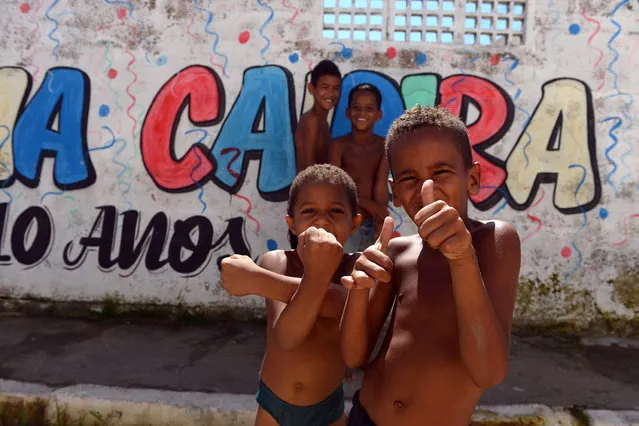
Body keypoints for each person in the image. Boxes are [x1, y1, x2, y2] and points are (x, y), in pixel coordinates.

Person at [340, 106, 521, 426]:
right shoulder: (398, 251)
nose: (427, 189)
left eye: (441, 172)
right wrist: (358, 289)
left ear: (473, 178)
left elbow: (488, 372)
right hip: (365, 416)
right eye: (410, 178)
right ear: (396, 193)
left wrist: (461, 257)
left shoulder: (494, 241)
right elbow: (354, 356)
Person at [221, 164, 362, 426]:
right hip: (274, 405)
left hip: (327, 407)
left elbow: (341, 304)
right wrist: (317, 277)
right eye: (309, 211)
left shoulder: (356, 268)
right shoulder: (276, 263)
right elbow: (287, 336)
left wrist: (259, 282)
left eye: (336, 211)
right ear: (292, 224)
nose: (322, 220)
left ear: (354, 223)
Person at [329, 84, 389, 253]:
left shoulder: (383, 146)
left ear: (378, 115)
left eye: (369, 108)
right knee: (343, 273)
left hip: (372, 223)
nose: (362, 113)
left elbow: (380, 183)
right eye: (356, 108)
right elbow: (336, 187)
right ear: (348, 112)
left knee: (367, 273)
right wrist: (370, 205)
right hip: (346, 223)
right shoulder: (338, 146)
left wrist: (380, 217)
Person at [295, 60, 342, 172]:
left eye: (336, 88)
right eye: (325, 87)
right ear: (311, 89)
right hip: (309, 188)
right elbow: (308, 169)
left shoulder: (323, 122)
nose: (330, 93)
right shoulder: (312, 121)